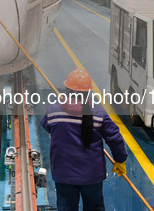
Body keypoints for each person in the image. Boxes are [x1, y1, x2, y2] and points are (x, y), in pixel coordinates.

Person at [41, 68, 127, 211]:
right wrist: (120, 160)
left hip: (63, 174)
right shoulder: (99, 113)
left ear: (67, 89)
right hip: (91, 176)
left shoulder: (53, 111)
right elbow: (114, 138)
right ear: (88, 92)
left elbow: (47, 126)